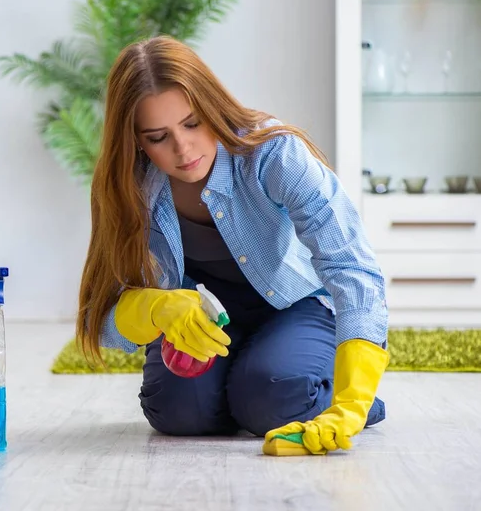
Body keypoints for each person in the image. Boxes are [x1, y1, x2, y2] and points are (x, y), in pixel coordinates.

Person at [77, 36, 389, 456]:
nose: (182, 149)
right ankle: (257, 389)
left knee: (272, 396)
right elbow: (103, 320)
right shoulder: (126, 187)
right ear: (134, 140)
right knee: (176, 413)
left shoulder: (272, 153)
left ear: (211, 106)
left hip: (294, 306)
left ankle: (300, 389)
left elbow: (351, 265)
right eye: (157, 136)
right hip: (204, 320)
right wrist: (155, 307)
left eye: (192, 124)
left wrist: (352, 401)